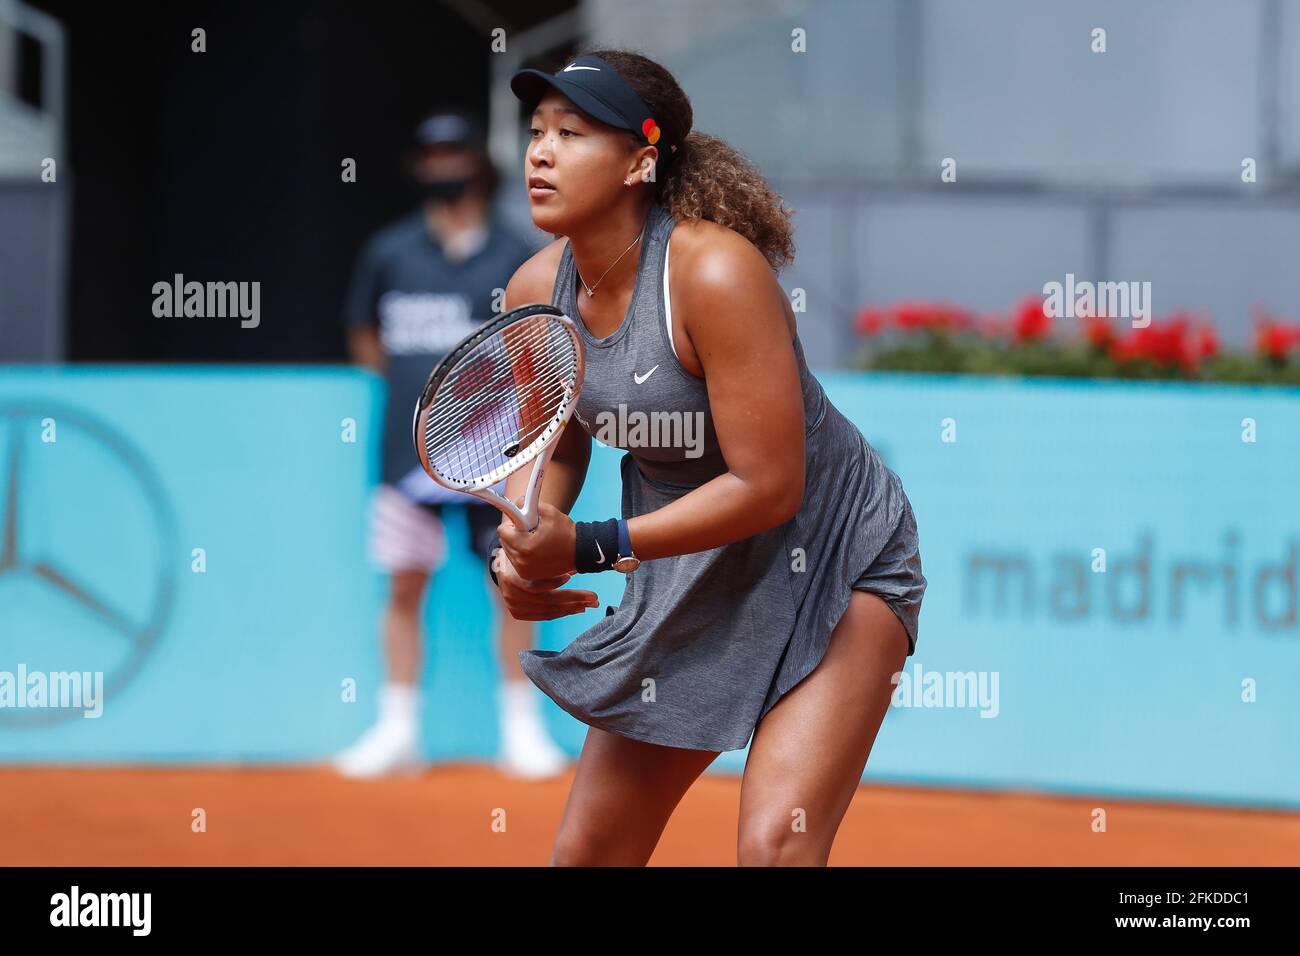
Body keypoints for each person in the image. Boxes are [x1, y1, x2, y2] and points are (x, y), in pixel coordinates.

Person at [491, 50, 927, 865]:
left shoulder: (716, 273)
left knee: (775, 850)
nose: (541, 152)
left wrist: (588, 547)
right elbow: (556, 449)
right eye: (538, 131)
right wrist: (525, 544)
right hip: (686, 572)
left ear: (641, 161)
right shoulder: (532, 291)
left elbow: (771, 486)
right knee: (586, 859)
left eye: (573, 133)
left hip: (833, 556)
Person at [335, 109, 567, 779]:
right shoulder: (389, 251)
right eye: (430, 157)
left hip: (495, 463)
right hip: (403, 462)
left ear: (477, 163)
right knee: (403, 587)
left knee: (511, 585)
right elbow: (364, 335)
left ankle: (521, 733)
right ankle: (397, 731)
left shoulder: (516, 252)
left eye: (454, 155)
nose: (442, 168)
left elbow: (540, 348)